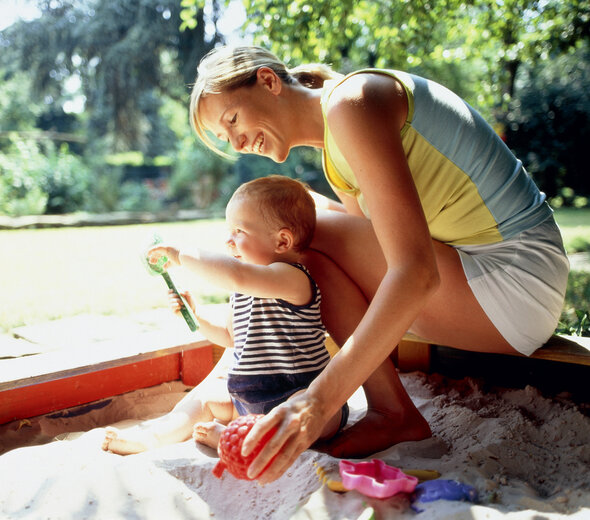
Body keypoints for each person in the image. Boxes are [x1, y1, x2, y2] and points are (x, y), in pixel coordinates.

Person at [188, 45, 570, 483]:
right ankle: (272, 373)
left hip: (515, 282)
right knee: (298, 217)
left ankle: (391, 410)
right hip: (490, 285)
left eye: (233, 120)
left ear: (269, 81)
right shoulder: (336, 149)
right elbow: (369, 263)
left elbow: (413, 272)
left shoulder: (353, 104)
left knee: (296, 235)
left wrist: (317, 401)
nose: (237, 143)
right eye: (225, 138)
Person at [102, 175, 348, 455]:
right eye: (228, 230)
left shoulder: (292, 278)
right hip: (248, 400)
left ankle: (243, 439)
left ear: (282, 241)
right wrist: (196, 316)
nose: (228, 241)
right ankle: (152, 438)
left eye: (239, 231)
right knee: (202, 400)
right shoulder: (242, 290)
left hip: (299, 393)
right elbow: (230, 337)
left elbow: (236, 275)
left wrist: (181, 255)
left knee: (303, 406)